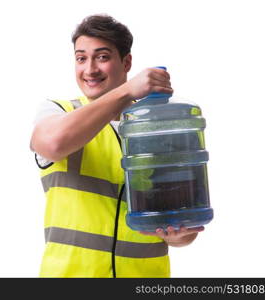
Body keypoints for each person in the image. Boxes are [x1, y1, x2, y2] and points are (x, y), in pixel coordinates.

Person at [30, 14, 204, 278]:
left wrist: (179, 234)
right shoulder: (58, 113)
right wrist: (127, 91)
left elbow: (177, 231)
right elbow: (53, 144)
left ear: (126, 62)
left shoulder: (159, 126)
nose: (89, 69)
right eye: (81, 58)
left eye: (102, 57)